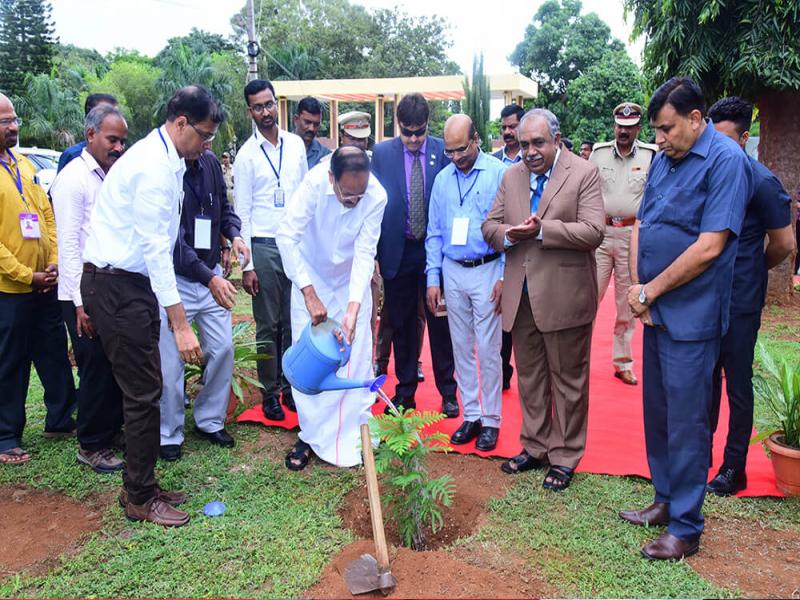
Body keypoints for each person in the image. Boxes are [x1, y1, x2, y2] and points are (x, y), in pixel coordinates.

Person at [618, 78, 750, 560]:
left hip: (692, 316)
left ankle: (687, 526)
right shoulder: (666, 158)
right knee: (659, 414)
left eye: (668, 128)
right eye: (658, 131)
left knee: (688, 422)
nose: (662, 138)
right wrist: (640, 292)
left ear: (697, 118)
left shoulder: (726, 161)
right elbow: (644, 224)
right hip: (656, 310)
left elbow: (710, 246)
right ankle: (666, 499)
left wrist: (651, 290)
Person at [81, 85, 221, 526]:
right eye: (203, 135)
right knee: (143, 394)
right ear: (180, 123)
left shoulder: (169, 160)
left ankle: (143, 482)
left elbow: (166, 243)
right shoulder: (152, 168)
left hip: (131, 285)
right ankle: (140, 497)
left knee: (147, 387)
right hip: (117, 286)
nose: (206, 145)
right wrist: (180, 324)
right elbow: (156, 249)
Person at [482, 108, 604, 492]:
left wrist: (540, 232)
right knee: (531, 377)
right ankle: (534, 446)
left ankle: (565, 455)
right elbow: (489, 226)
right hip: (521, 296)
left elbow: (593, 231)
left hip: (565, 295)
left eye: (538, 143)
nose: (530, 152)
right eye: (523, 144)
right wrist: (509, 234)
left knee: (568, 380)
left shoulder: (583, 172)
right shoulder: (511, 175)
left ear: (556, 139)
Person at [276, 146, 387, 469]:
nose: (354, 202)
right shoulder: (312, 185)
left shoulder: (376, 195)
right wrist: (309, 293)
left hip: (351, 281)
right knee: (313, 360)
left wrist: (354, 308)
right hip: (309, 278)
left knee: (357, 358)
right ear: (331, 178)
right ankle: (311, 435)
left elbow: (366, 252)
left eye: (359, 196)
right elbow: (286, 236)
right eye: (347, 195)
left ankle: (357, 429)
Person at [706, 96, 795, 495]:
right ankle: (697, 456)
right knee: (703, 379)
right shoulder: (705, 174)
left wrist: (753, 270)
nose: (719, 147)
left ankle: (734, 467)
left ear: (744, 137)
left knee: (737, 385)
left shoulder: (761, 181)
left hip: (740, 300)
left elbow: (783, 243)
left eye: (727, 139)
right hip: (704, 296)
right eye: (713, 137)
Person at [157, 147, 250, 462]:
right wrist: (211, 279)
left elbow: (223, 207)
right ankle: (168, 433)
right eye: (203, 135)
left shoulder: (210, 163)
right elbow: (173, 244)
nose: (207, 144)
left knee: (223, 348)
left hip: (210, 275)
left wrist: (234, 235)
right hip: (177, 281)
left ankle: (209, 420)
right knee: (170, 361)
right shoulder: (165, 169)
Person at [50, 104, 127, 474]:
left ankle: (109, 433)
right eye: (112, 139)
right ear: (91, 135)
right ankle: (91, 443)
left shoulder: (109, 176)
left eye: (123, 141)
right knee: (94, 365)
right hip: (80, 294)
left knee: (112, 363)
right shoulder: (73, 179)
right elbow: (68, 247)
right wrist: (81, 305)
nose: (118, 147)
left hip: (107, 288)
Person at [0, 94, 77, 465]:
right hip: (9, 289)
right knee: (10, 363)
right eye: (4, 122)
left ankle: (61, 419)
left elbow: (46, 215)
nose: (13, 126)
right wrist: (24, 275)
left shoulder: (24, 164)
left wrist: (53, 263)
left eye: (14, 119)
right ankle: (6, 436)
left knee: (53, 354)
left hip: (44, 283)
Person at [371, 93, 457, 415]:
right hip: (398, 251)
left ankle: (448, 392)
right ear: (399, 126)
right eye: (407, 132)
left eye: (419, 131)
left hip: (434, 251)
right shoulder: (381, 153)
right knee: (403, 327)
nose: (413, 139)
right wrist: (376, 253)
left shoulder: (441, 151)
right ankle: (405, 392)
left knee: (440, 324)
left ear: (427, 126)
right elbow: (375, 204)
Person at [426, 115, 506, 451]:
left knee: (488, 348)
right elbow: (434, 232)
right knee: (460, 346)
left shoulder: (499, 174)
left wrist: (503, 273)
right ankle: (470, 415)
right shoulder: (443, 180)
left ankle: (491, 420)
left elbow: (510, 227)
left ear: (476, 139)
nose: (456, 157)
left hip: (487, 268)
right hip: (452, 269)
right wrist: (433, 278)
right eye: (449, 152)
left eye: (461, 149)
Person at [234, 80, 308, 421]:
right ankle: (270, 391)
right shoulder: (246, 156)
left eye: (269, 104)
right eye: (258, 107)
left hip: (295, 242)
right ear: (250, 111)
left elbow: (306, 196)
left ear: (277, 104)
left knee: (295, 319)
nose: (265, 112)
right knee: (268, 323)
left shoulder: (295, 145)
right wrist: (246, 264)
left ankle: (292, 386)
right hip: (264, 245)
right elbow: (243, 213)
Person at [590, 103, 658, 385]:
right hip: (601, 233)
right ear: (614, 126)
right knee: (588, 296)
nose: (623, 132)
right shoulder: (599, 153)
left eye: (629, 128)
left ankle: (623, 362)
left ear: (638, 129)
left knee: (625, 303)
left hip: (632, 235)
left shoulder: (650, 156)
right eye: (620, 126)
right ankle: (577, 358)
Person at [492, 103, 526, 389]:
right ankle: (502, 370)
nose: (507, 132)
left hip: (531, 245)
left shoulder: (534, 160)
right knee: (502, 315)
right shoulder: (493, 163)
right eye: (503, 127)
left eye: (512, 126)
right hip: (501, 245)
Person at [57, 93, 118, 173]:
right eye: (106, 116)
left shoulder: (120, 157)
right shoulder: (73, 156)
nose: (116, 120)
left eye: (117, 115)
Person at [294, 96, 331, 169]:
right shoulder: (281, 149)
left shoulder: (325, 155)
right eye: (307, 122)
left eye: (316, 124)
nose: (312, 128)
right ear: (296, 120)